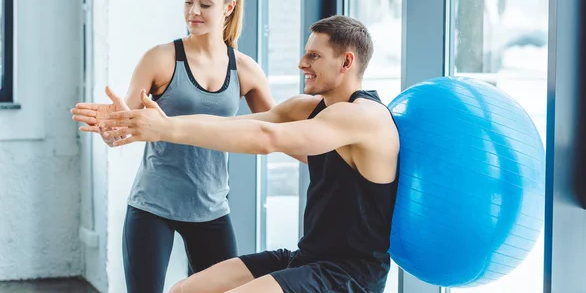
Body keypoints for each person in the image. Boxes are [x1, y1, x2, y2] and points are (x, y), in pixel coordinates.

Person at [97, 15, 400, 293]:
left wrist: (164, 130)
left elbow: (266, 138)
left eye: (314, 56)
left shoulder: (363, 117)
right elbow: (234, 126)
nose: (301, 63)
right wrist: (156, 123)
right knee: (184, 290)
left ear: (347, 62)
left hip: (350, 275)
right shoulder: (308, 108)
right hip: (309, 257)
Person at [71, 0, 276, 293]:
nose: (193, 11)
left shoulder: (246, 70)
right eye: (188, 1)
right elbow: (125, 125)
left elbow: (278, 130)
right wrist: (112, 129)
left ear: (228, 7)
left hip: (211, 208)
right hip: (153, 206)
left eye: (205, 4)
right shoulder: (161, 58)